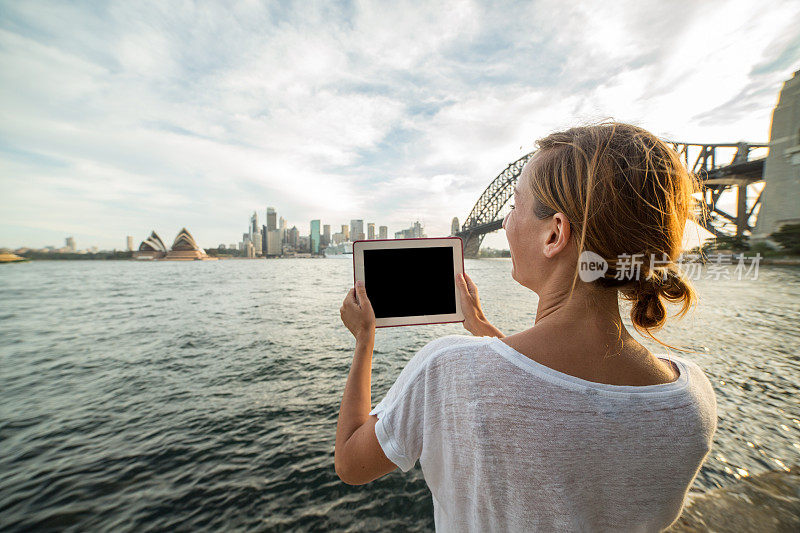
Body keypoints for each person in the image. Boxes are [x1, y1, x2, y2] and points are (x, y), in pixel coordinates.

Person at [335, 122, 717, 532]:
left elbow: (351, 463)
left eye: (514, 206)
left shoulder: (444, 370)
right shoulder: (691, 400)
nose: (505, 224)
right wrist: (484, 329)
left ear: (554, 234)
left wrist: (364, 341)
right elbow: (559, 392)